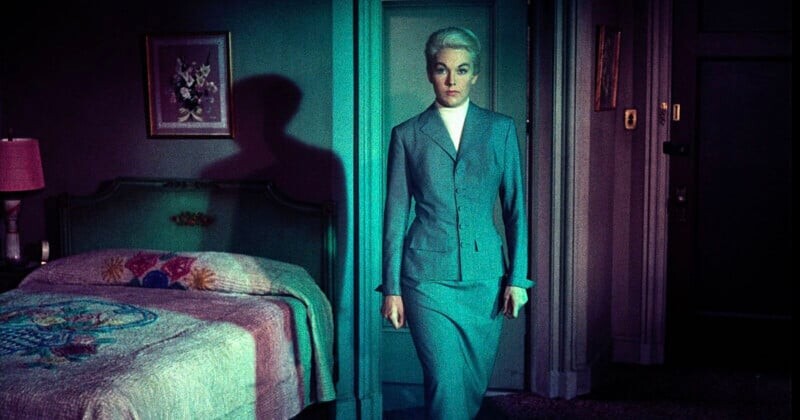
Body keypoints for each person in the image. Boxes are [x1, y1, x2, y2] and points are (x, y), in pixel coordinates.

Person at [379, 26, 534, 420]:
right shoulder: (407, 135)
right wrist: (392, 288)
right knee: (445, 383)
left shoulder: (500, 130)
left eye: (461, 70)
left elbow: (516, 209)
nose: (451, 80)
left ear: (475, 74)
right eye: (442, 69)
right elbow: (395, 214)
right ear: (429, 73)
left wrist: (517, 279)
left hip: (486, 279)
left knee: (469, 389)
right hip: (426, 280)